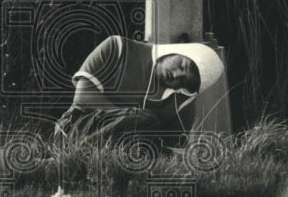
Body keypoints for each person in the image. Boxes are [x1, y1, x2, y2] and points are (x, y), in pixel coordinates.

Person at [54, 35, 225, 148]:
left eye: (183, 81)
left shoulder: (183, 104)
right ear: (180, 51)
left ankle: (86, 160)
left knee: (144, 128)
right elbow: (82, 98)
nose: (176, 75)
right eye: (182, 65)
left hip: (126, 153)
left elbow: (170, 151)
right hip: (75, 128)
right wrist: (132, 120)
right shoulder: (118, 48)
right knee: (145, 120)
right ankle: (74, 154)